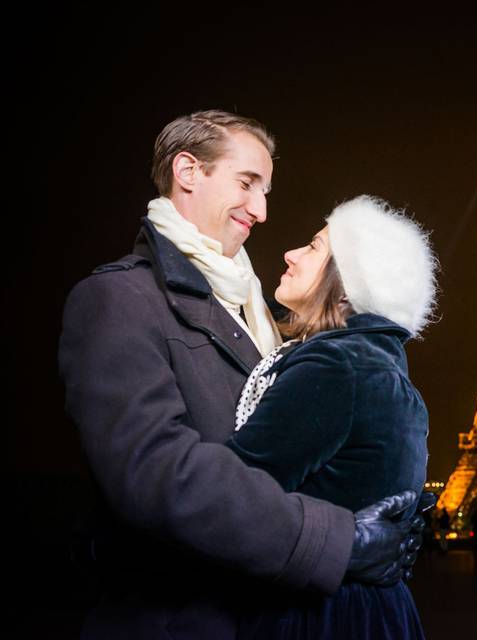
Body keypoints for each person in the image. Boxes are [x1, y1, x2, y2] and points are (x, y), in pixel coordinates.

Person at [58, 110, 429, 639]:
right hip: (180, 621)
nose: (261, 210)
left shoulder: (260, 318)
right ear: (188, 172)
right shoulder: (117, 300)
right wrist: (341, 540)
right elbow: (158, 477)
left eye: (267, 191)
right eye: (247, 183)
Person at [224, 194, 438, 639]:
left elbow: (232, 492)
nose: (291, 253)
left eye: (315, 247)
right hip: (372, 610)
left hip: (313, 615)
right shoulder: (381, 368)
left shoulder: (337, 367)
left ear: (347, 285)